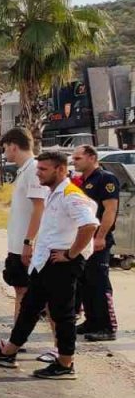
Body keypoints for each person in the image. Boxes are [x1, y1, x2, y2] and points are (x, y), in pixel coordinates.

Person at [0, 150, 98, 379]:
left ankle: (65, 364)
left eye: (43, 169)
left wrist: (71, 255)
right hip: (45, 262)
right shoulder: (54, 192)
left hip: (61, 264)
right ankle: (9, 351)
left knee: (62, 314)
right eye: (38, 169)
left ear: (60, 170)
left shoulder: (71, 195)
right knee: (30, 307)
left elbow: (89, 226)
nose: (39, 174)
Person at [0, 129, 47, 353]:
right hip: (18, 244)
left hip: (27, 246)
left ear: (14, 146)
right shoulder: (25, 171)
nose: (4, 153)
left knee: (32, 294)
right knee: (20, 291)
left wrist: (28, 242)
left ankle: (23, 342)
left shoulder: (34, 170)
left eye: (4, 148)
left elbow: (39, 209)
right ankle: (16, 339)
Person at [72, 145, 121, 342]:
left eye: (78, 158)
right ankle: (92, 321)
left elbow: (110, 210)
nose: (74, 162)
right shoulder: (83, 181)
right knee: (85, 282)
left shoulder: (106, 179)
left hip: (98, 239)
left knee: (100, 283)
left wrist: (100, 236)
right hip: (84, 239)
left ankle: (107, 327)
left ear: (92, 158)